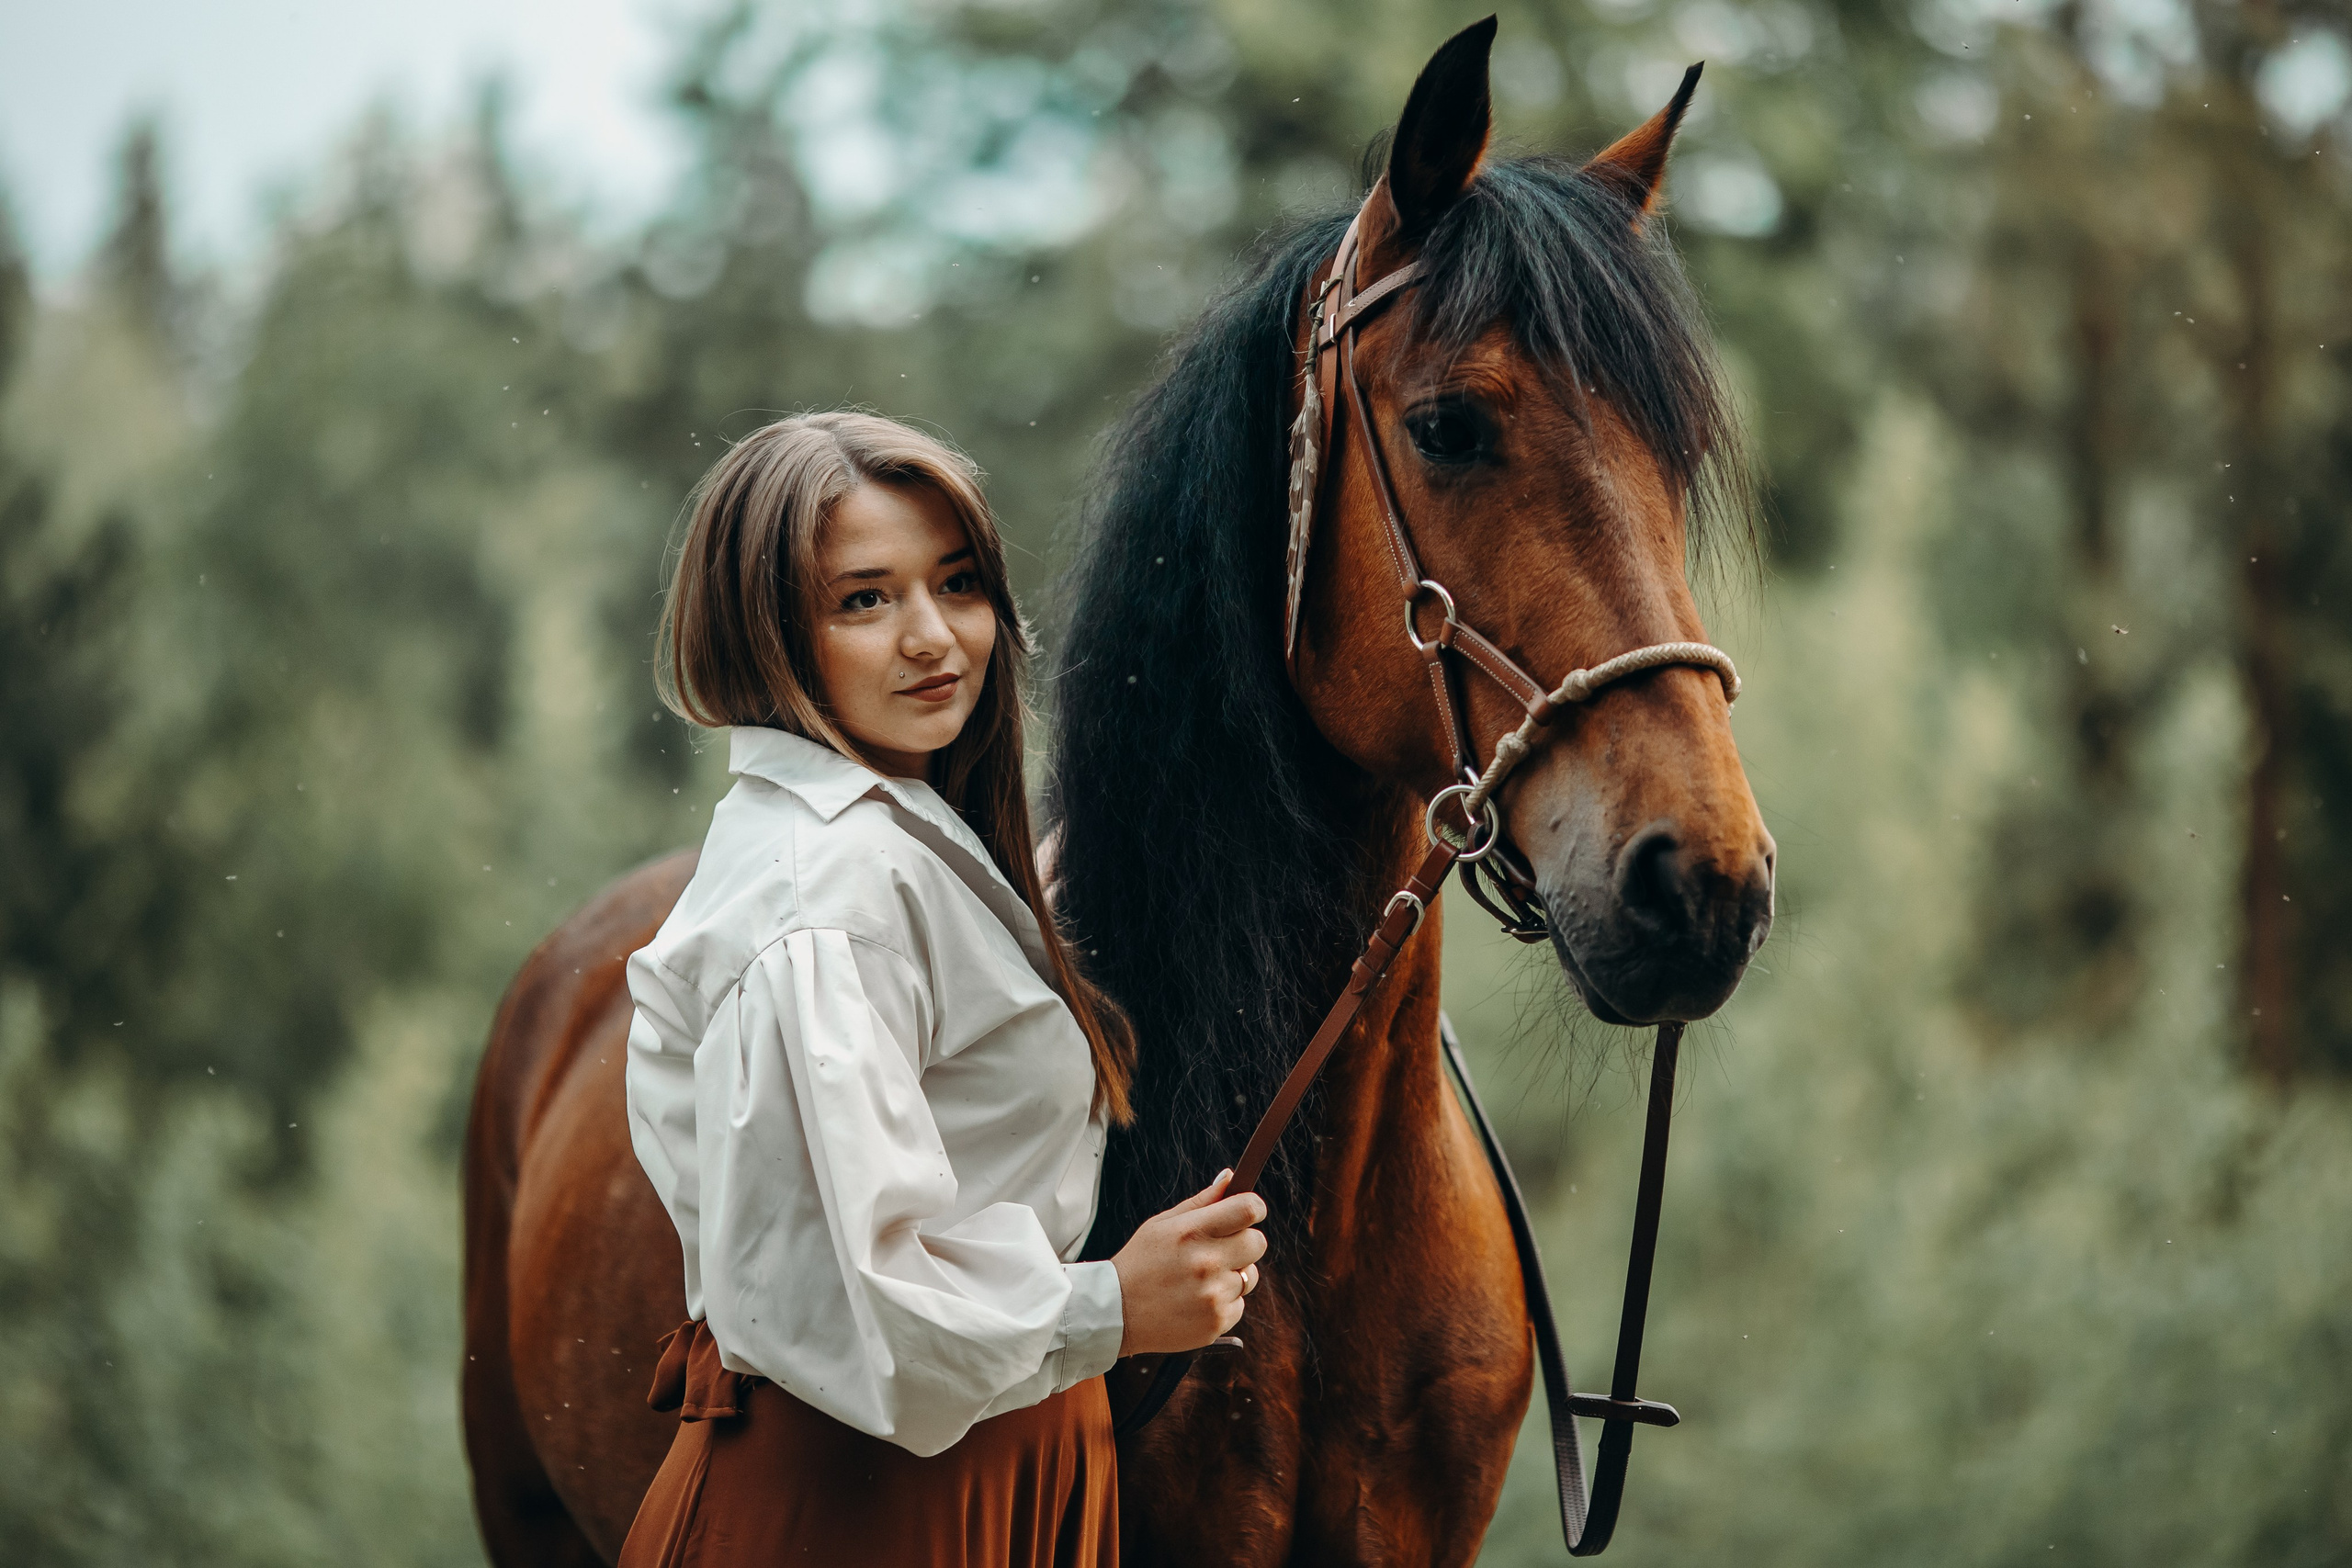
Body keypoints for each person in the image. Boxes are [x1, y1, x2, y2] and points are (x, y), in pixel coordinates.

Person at [617, 412, 1265, 1568]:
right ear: (765, 632)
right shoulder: (831, 899)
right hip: (867, 1505)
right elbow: (856, 1306)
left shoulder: (891, 846)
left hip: (988, 1470)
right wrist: (1115, 1304)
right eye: (864, 600)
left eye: (956, 584)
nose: (933, 638)